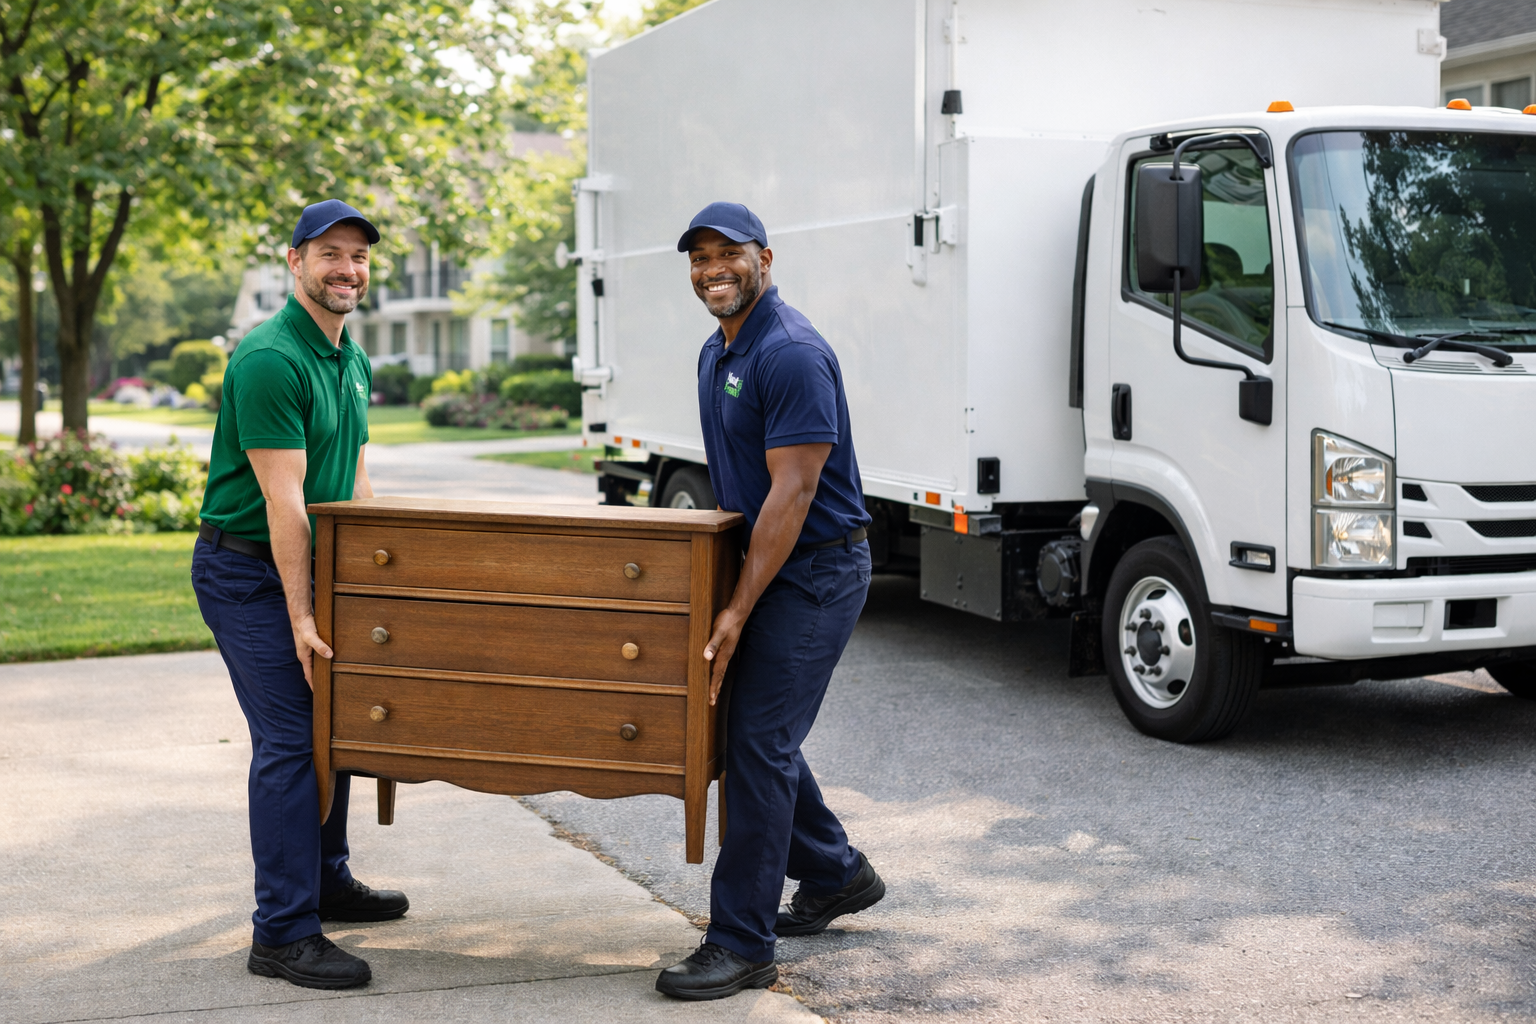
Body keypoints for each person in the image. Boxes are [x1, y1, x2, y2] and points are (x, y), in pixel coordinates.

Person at [656, 202, 886, 1001]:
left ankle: (741, 943)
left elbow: (792, 497)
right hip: (771, 565)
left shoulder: (790, 354)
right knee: (753, 734)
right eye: (699, 257)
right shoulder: (718, 350)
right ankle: (835, 872)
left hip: (816, 574)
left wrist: (737, 606)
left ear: (766, 258)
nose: (713, 267)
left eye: (729, 253)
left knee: (757, 745)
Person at [191, 199, 407, 991]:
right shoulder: (270, 359)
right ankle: (281, 933)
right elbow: (285, 504)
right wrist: (303, 613)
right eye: (329, 255)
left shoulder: (349, 357)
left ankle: (326, 878)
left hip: (310, 565)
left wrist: (379, 573)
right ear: (295, 263)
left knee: (334, 718)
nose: (347, 269)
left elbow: (349, 477)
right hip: (247, 573)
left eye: (358, 257)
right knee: (289, 740)